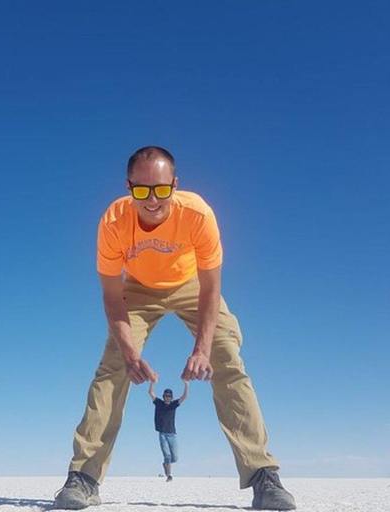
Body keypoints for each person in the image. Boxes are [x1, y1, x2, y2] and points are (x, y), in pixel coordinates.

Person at [53, 146, 296, 510]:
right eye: (141, 190)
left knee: (226, 357)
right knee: (113, 367)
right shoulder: (113, 222)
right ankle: (83, 477)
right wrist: (131, 354)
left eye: (161, 189)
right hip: (136, 290)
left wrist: (202, 348)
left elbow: (212, 287)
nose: (152, 200)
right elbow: (111, 295)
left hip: (191, 286)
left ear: (175, 185)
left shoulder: (197, 214)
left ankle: (263, 474)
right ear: (128, 187)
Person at [148, 380, 189, 482]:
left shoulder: (173, 405)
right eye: (166, 396)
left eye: (169, 396)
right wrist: (152, 383)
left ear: (171, 397)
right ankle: (169, 475)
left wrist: (186, 384)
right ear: (163, 396)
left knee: (174, 458)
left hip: (172, 434)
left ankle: (166, 464)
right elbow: (150, 393)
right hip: (162, 434)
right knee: (167, 455)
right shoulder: (158, 403)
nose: (168, 398)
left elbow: (184, 397)